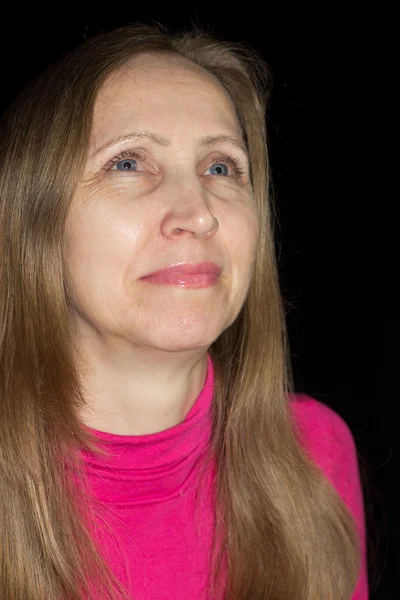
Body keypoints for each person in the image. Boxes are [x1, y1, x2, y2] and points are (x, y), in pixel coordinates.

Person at [0, 23, 368, 600]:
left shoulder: (313, 451)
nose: (197, 213)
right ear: (35, 217)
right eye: (128, 163)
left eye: (221, 167)